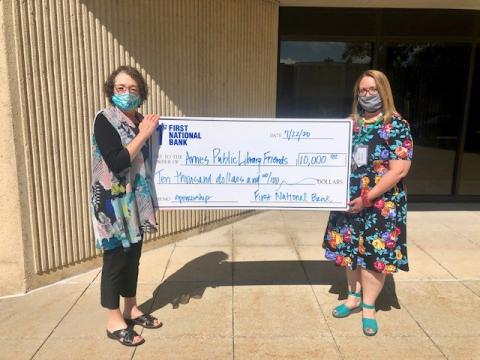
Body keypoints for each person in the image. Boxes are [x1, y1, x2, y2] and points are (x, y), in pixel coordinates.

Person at [323, 69, 413, 336]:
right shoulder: (350, 123)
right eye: (362, 90)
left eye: (372, 90)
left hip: (380, 204)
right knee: (350, 250)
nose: (367, 95)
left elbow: (399, 170)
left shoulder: (397, 125)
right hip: (348, 200)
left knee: (375, 256)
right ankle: (352, 297)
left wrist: (368, 197)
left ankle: (369, 307)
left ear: (384, 92)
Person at [90, 65, 162, 346]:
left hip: (138, 201)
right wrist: (144, 134)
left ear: (141, 93)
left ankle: (131, 307)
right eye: (120, 88)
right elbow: (118, 162)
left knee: (134, 255)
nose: (126, 93)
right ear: (111, 91)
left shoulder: (143, 120)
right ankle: (114, 319)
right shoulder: (105, 120)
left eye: (132, 89)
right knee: (115, 259)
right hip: (112, 204)